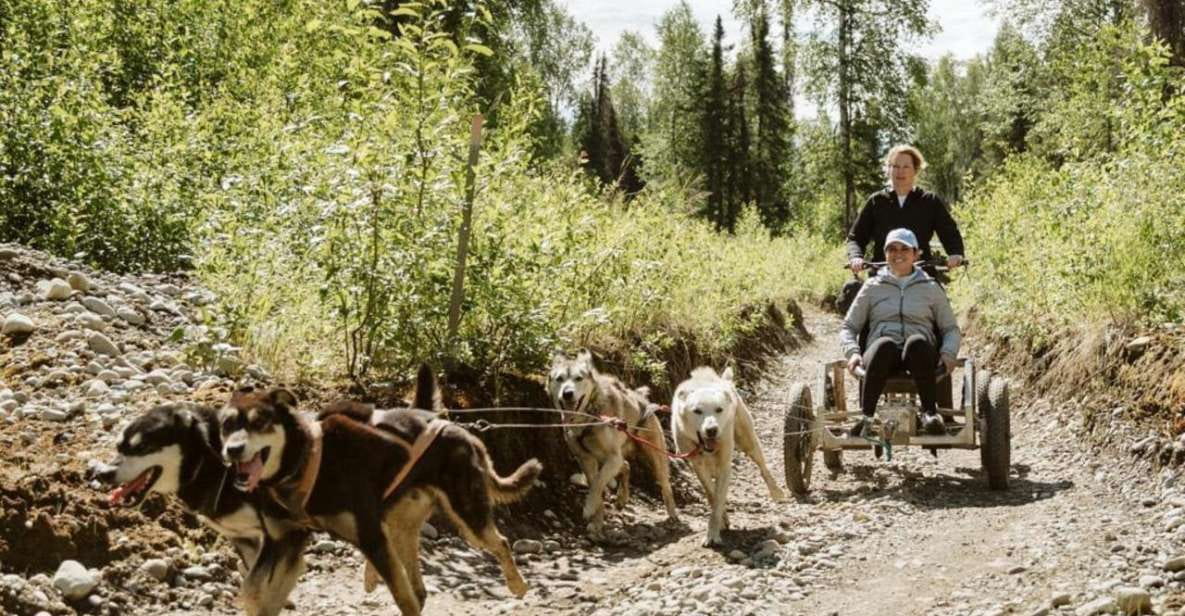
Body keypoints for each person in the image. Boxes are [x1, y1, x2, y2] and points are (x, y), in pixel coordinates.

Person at [839, 228, 961, 437]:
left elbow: (950, 328)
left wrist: (948, 353)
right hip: (882, 353)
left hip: (919, 354)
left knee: (916, 343)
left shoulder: (930, 288)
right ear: (885, 255)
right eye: (892, 249)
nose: (898, 254)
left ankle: (930, 414)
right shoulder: (872, 286)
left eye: (905, 249)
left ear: (916, 254)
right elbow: (848, 327)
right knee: (884, 345)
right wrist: (852, 352)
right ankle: (867, 417)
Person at [846, 145, 965, 275]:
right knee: (855, 292)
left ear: (915, 170)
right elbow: (856, 237)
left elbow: (949, 233)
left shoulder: (929, 201)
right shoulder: (876, 201)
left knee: (938, 296)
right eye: (895, 166)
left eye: (906, 167)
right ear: (888, 170)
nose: (900, 171)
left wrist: (956, 253)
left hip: (921, 276)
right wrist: (856, 257)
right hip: (882, 276)